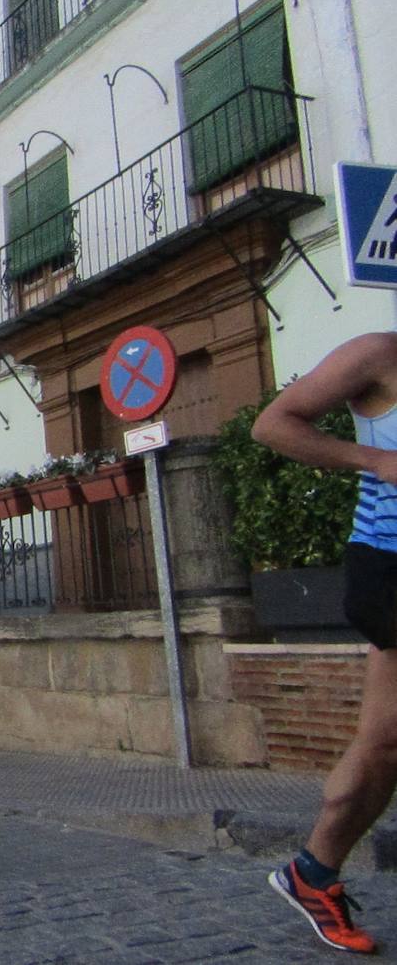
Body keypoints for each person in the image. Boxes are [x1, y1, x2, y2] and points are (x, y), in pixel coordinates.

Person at [253, 331, 397, 955]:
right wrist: (378, 461)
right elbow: (273, 425)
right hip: (391, 563)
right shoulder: (379, 354)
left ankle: (311, 873)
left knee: (385, 743)